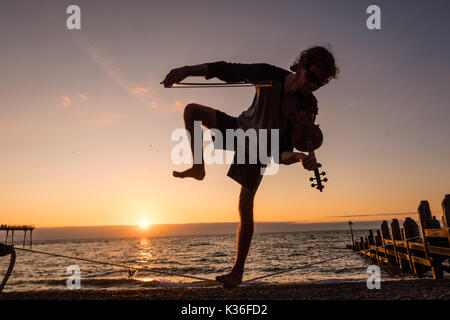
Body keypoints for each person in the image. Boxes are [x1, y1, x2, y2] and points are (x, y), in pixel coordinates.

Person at [161, 46, 339, 289]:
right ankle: (198, 167)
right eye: (312, 77)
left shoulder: (306, 106)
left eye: (320, 82)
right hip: (241, 127)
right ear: (299, 67)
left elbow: (280, 153)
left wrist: (298, 158)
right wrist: (186, 70)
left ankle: (237, 271)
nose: (314, 86)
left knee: (245, 205)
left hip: (259, 148)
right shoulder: (268, 75)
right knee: (192, 111)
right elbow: (226, 69)